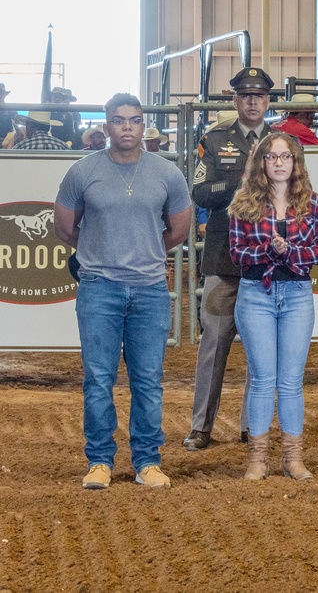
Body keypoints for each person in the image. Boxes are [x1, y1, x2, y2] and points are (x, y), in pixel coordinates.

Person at [53, 92, 192, 490]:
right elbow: (64, 228)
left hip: (149, 288)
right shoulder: (83, 171)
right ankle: (99, 460)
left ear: (143, 123)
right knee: (98, 378)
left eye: (133, 120)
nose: (126, 127)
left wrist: (146, 248)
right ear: (106, 125)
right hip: (99, 286)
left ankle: (147, 461)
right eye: (118, 120)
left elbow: (179, 229)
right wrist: (100, 248)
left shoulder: (167, 174)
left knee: (148, 379)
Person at [228, 132, 318, 480]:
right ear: (262, 162)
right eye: (272, 157)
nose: (280, 163)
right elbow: (237, 253)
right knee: (262, 379)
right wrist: (271, 251)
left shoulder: (313, 203)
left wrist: (290, 252)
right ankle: (257, 459)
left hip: (296, 292)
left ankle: (293, 457)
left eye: (286, 157)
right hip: (256, 291)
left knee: (290, 381)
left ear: (295, 162)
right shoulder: (244, 202)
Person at [185, 67, 274, 451]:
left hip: (269, 261)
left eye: (259, 96)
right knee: (213, 347)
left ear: (268, 101)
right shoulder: (215, 139)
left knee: (262, 350)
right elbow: (200, 192)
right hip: (225, 260)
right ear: (235, 100)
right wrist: (240, 181)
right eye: (245, 95)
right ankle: (201, 426)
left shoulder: (282, 141)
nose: (253, 101)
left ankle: (252, 427)